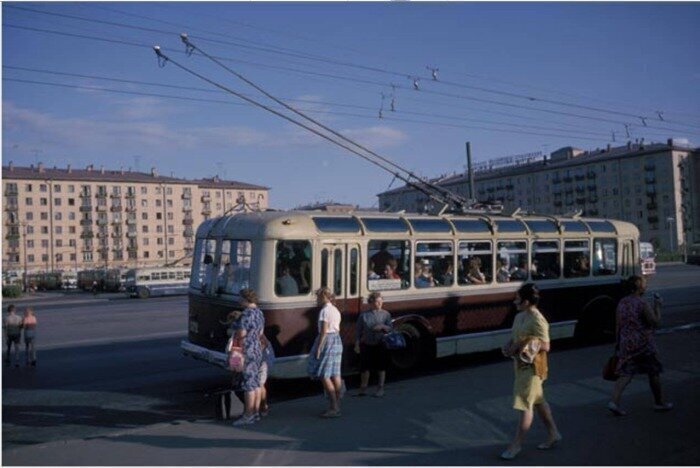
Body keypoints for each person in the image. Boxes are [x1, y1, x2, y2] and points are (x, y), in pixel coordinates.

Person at [500, 283, 561, 460]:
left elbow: (546, 345)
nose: (514, 301)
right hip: (520, 365)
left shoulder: (538, 319)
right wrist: (509, 345)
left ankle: (516, 444)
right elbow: (515, 336)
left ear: (526, 301)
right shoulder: (519, 317)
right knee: (538, 401)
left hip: (533, 368)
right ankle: (553, 433)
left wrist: (522, 344)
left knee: (525, 403)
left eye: (517, 298)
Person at [608, 275, 672, 416]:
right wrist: (658, 306)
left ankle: (614, 402)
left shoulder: (622, 303)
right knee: (653, 371)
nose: (646, 286)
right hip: (643, 345)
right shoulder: (642, 303)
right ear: (639, 287)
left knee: (625, 374)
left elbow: (618, 325)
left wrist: (618, 343)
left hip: (626, 344)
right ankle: (659, 402)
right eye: (644, 284)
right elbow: (655, 322)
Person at [229, 288, 265, 426]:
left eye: (240, 298)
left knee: (248, 384)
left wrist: (234, 325)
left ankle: (248, 415)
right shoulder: (259, 313)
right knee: (255, 382)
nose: (238, 301)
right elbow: (260, 332)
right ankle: (255, 413)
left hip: (246, 351)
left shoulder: (246, 315)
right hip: (257, 349)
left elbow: (241, 334)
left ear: (245, 299)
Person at [307, 287, 344, 418]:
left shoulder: (324, 311)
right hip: (337, 340)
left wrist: (318, 348)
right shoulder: (335, 310)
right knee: (335, 373)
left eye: (318, 297)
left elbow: (323, 331)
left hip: (327, 340)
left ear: (323, 297)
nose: (317, 299)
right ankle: (337, 403)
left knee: (324, 374)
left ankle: (334, 407)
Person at [354, 292, 393, 397]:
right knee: (365, 367)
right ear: (371, 303)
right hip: (367, 343)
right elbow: (358, 330)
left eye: (381, 301)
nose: (380, 303)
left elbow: (390, 328)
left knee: (381, 367)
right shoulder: (364, 315)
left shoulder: (386, 314)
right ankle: (363, 388)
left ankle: (380, 388)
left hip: (381, 343)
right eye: (377, 301)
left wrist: (382, 326)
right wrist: (357, 344)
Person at [259, 334, 275, 417]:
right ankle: (253, 410)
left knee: (259, 384)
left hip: (261, 362)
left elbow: (264, 344)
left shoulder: (257, 333)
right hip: (252, 363)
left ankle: (262, 407)